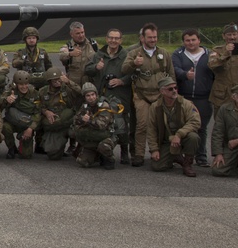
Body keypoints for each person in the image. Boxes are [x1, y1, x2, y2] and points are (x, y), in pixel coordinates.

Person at [122, 23, 173, 167]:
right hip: (141, 95)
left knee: (161, 125)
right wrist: (134, 64)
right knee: (142, 125)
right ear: (143, 38)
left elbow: (171, 74)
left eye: (155, 37)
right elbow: (124, 69)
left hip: (160, 95)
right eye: (150, 37)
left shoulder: (164, 53)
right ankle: (138, 154)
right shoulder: (134, 53)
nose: (153, 40)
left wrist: (173, 93)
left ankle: (158, 153)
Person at [85, 29, 133, 164]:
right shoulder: (99, 54)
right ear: (106, 39)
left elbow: (133, 74)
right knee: (102, 123)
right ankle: (104, 152)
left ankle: (124, 151)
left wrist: (121, 81)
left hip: (120, 95)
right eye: (111, 38)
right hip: (102, 95)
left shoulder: (126, 55)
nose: (113, 41)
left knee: (121, 124)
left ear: (121, 40)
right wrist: (96, 67)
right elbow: (87, 69)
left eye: (116, 38)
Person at [172, 30, 214, 167]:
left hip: (204, 97)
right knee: (181, 126)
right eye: (187, 40)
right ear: (184, 42)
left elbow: (217, 71)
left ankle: (201, 156)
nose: (190, 43)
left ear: (199, 40)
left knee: (201, 127)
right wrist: (185, 75)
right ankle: (182, 155)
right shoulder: (178, 54)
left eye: (193, 40)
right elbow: (174, 69)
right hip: (184, 96)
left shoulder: (209, 55)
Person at [148, 76, 200, 177]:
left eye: (175, 88)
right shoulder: (155, 107)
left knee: (193, 137)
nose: (174, 91)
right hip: (167, 141)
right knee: (157, 167)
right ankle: (176, 157)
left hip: (183, 138)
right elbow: (151, 130)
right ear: (162, 91)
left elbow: (195, 121)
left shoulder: (186, 104)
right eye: (170, 89)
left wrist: (179, 134)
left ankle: (187, 164)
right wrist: (154, 150)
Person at [36, 67, 81, 161]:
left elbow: (80, 92)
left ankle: (78, 147)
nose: (57, 82)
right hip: (55, 125)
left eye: (58, 79)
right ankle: (57, 142)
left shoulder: (67, 89)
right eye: (54, 80)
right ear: (49, 81)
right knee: (53, 155)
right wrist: (46, 112)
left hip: (68, 121)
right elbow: (37, 106)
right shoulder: (43, 92)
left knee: (80, 132)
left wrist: (68, 82)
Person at [70, 83, 117, 170]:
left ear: (96, 94)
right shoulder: (85, 106)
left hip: (106, 135)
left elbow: (102, 124)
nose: (91, 97)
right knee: (82, 162)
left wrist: (89, 120)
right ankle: (96, 155)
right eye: (88, 95)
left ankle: (109, 159)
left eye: (93, 94)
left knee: (104, 147)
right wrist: (82, 118)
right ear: (84, 97)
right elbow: (75, 119)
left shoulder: (104, 105)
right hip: (93, 135)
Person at [0, 70, 42, 160]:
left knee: (26, 156)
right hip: (12, 122)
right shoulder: (10, 91)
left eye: (26, 84)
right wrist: (6, 101)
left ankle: (23, 140)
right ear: (16, 84)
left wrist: (30, 128)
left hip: (26, 124)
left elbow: (38, 113)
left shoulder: (34, 93)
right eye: (21, 84)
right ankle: (11, 148)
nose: (24, 86)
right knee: (4, 126)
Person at [59, 21, 99, 87]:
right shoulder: (68, 47)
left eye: (82, 32)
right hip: (74, 85)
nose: (81, 35)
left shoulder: (93, 45)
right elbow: (61, 56)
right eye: (77, 33)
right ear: (71, 34)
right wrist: (70, 54)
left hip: (91, 84)